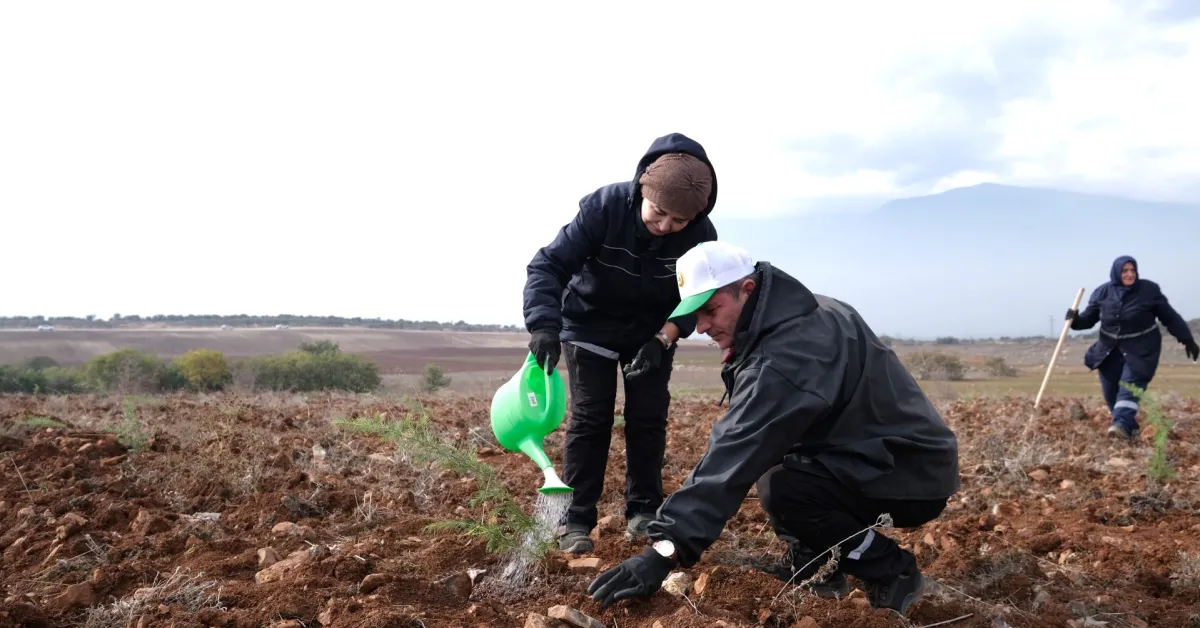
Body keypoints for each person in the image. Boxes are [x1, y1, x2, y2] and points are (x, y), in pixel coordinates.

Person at [586, 241, 960, 615]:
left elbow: (734, 454)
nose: (701, 327)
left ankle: (892, 569)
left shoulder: (786, 354)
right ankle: (816, 567)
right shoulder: (797, 310)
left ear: (746, 289)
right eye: (694, 314)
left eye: (711, 310)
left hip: (909, 470)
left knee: (784, 488)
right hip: (885, 451)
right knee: (781, 461)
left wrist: (664, 551)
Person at [523, 133, 719, 554]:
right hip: (589, 323)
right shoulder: (604, 208)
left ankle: (644, 512)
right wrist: (543, 325)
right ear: (642, 190)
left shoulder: (702, 235)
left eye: (678, 222)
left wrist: (663, 339)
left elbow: (698, 297)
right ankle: (576, 520)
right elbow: (548, 266)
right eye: (658, 213)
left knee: (648, 418)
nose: (664, 227)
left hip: (651, 332)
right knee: (592, 418)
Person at [1066, 255, 1197, 440]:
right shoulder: (1102, 292)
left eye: (1132, 270)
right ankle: (1128, 428)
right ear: (1116, 272)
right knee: (1111, 393)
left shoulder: (1149, 290)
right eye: (1125, 271)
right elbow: (1088, 320)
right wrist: (1075, 320)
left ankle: (1120, 425)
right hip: (1109, 349)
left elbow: (1170, 317)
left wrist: (1187, 339)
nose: (1130, 274)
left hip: (1141, 349)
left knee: (1129, 388)